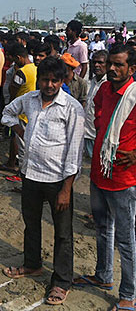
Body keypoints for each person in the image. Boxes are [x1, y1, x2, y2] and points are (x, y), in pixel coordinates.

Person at [2, 57, 84, 306]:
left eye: (54, 80)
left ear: (62, 81)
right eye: (45, 79)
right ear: (39, 79)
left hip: (58, 181)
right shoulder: (29, 99)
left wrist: (67, 188)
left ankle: (61, 281)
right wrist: (19, 130)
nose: (49, 84)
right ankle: (33, 264)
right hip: (31, 175)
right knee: (31, 223)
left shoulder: (71, 108)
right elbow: (7, 113)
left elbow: (75, 151)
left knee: (63, 234)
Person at [73, 45, 136, 311]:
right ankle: (103, 276)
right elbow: (97, 121)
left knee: (125, 237)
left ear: (131, 69)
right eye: (110, 63)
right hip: (100, 172)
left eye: (118, 65)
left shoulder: (133, 96)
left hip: (124, 180)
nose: (111, 68)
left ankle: (129, 294)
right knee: (102, 228)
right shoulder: (103, 91)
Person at [1, 42, 37, 171]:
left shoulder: (21, 73)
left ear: (19, 57)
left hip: (21, 113)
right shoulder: (35, 68)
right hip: (31, 111)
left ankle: (22, 174)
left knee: (22, 146)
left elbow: (13, 92)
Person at [82, 50, 108, 158]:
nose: (97, 65)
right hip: (85, 132)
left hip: (95, 135)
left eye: (101, 63)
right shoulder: (92, 81)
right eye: (95, 62)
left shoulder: (108, 84)